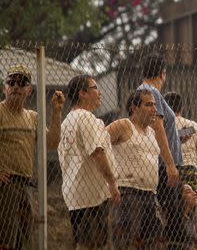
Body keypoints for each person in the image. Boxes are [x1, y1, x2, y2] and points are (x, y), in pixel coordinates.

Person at [0, 65, 65, 250]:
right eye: (11, 82)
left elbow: (51, 143)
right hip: (5, 186)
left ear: (29, 90)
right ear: (4, 87)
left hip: (25, 185)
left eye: (21, 83)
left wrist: (56, 112)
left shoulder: (33, 117)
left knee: (22, 239)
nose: (15, 87)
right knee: (5, 241)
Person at [138, 53, 194, 248]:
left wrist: (176, 137)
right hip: (163, 165)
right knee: (173, 218)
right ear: (163, 73)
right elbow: (157, 126)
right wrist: (170, 164)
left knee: (174, 215)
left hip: (164, 161)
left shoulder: (148, 91)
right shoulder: (150, 91)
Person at [58, 75, 120, 250]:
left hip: (76, 192)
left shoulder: (68, 120)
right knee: (90, 244)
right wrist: (112, 182)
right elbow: (98, 153)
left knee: (85, 242)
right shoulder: (87, 118)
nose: (100, 93)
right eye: (95, 88)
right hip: (91, 195)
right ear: (82, 93)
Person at [106, 89, 166, 249]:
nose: (154, 109)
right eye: (148, 105)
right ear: (134, 107)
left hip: (150, 195)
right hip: (128, 193)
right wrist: (108, 181)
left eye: (154, 105)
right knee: (127, 243)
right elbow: (98, 145)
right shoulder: (123, 125)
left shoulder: (152, 132)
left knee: (153, 243)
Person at [164, 92, 197, 230]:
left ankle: (172, 235)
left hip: (171, 168)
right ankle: (189, 233)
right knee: (189, 210)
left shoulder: (163, 126)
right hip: (190, 170)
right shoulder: (193, 125)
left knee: (171, 208)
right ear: (181, 108)